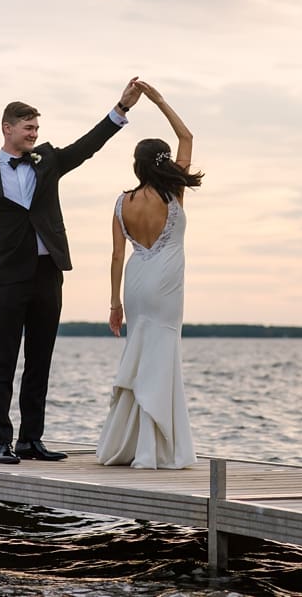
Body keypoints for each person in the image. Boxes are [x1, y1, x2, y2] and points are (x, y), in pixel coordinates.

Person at [0, 79, 142, 465]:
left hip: (48, 273)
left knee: (40, 359)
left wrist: (121, 108)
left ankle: (30, 440)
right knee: (3, 359)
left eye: (36, 129)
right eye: (28, 128)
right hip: (8, 276)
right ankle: (0, 442)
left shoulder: (47, 160)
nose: (34, 134)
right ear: (7, 128)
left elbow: (87, 146)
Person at [96, 81, 203, 470]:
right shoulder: (174, 192)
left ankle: (132, 444)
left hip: (136, 281)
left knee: (140, 354)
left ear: (136, 167)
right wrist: (158, 99)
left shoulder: (122, 202)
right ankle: (155, 448)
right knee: (162, 356)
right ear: (165, 163)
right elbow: (186, 135)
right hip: (166, 285)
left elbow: (116, 254)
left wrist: (115, 303)